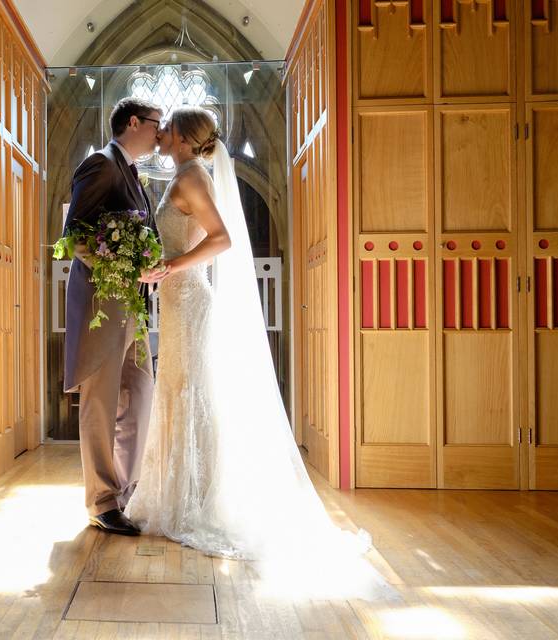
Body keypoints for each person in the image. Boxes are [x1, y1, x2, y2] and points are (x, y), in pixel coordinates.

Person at [125, 106, 393, 599]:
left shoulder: (192, 178)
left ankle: (196, 500)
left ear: (183, 136)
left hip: (190, 301)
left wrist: (172, 265)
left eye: (167, 129)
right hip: (178, 301)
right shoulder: (183, 173)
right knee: (180, 390)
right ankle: (180, 494)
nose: (160, 134)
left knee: (190, 392)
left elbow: (223, 239)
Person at [63, 97, 165, 536]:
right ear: (134, 122)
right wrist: (122, 265)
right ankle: (101, 502)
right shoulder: (101, 165)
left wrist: (148, 268)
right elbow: (74, 236)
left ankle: (125, 491)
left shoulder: (132, 172)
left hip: (133, 303)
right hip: (103, 303)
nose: (161, 135)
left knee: (140, 395)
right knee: (101, 402)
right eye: (156, 126)